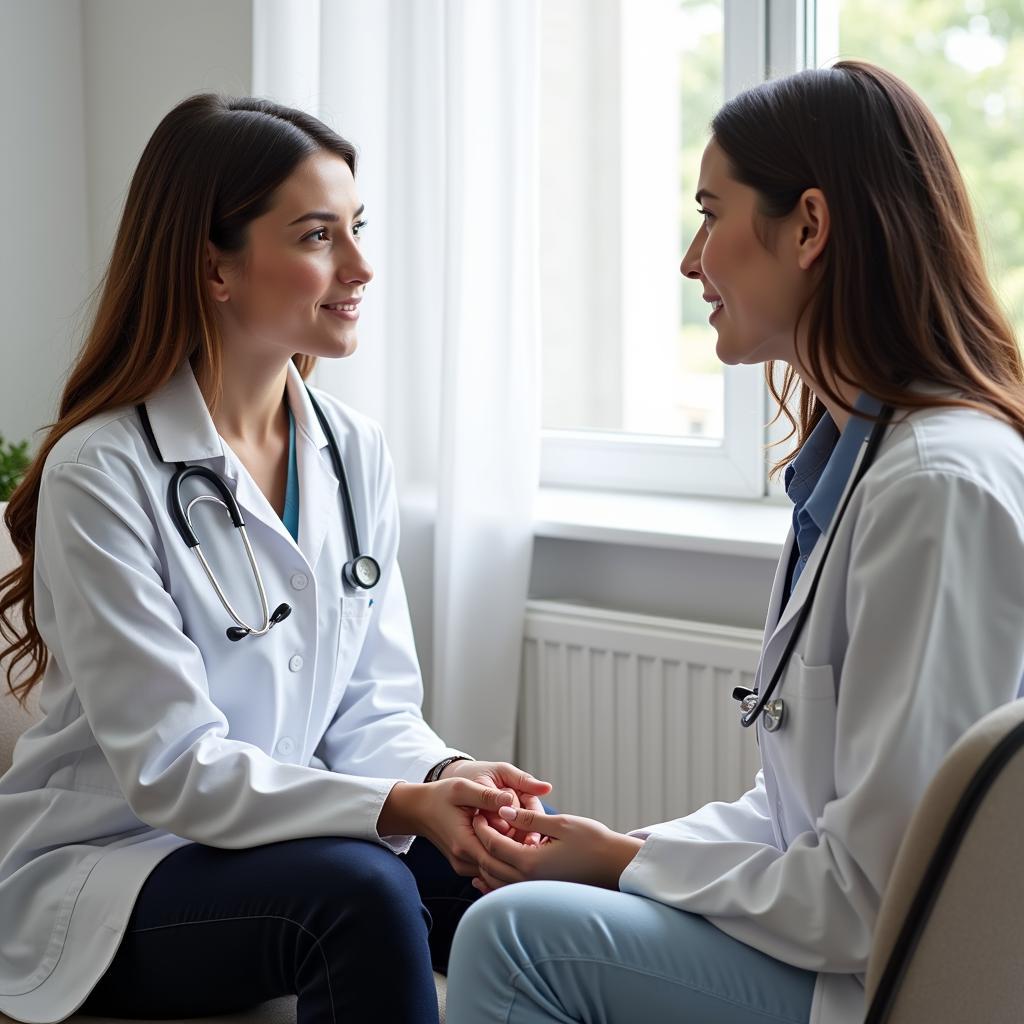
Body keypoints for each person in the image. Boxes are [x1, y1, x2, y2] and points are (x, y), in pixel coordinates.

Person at [445, 60, 1024, 1024]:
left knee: (514, 939)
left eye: (711, 213)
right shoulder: (858, 466)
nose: (689, 259)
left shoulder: (934, 489)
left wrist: (631, 865)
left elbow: (880, 895)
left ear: (808, 226)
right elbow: (804, 816)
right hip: (845, 945)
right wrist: (612, 848)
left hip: (889, 983)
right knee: (553, 901)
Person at [0, 94, 549, 1024]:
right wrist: (396, 806)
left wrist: (446, 778)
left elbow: (375, 707)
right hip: (115, 870)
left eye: (358, 228)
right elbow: (174, 769)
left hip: (283, 837)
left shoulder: (350, 449)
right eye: (317, 236)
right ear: (215, 266)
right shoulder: (103, 470)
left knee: (522, 888)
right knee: (363, 891)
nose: (362, 266)